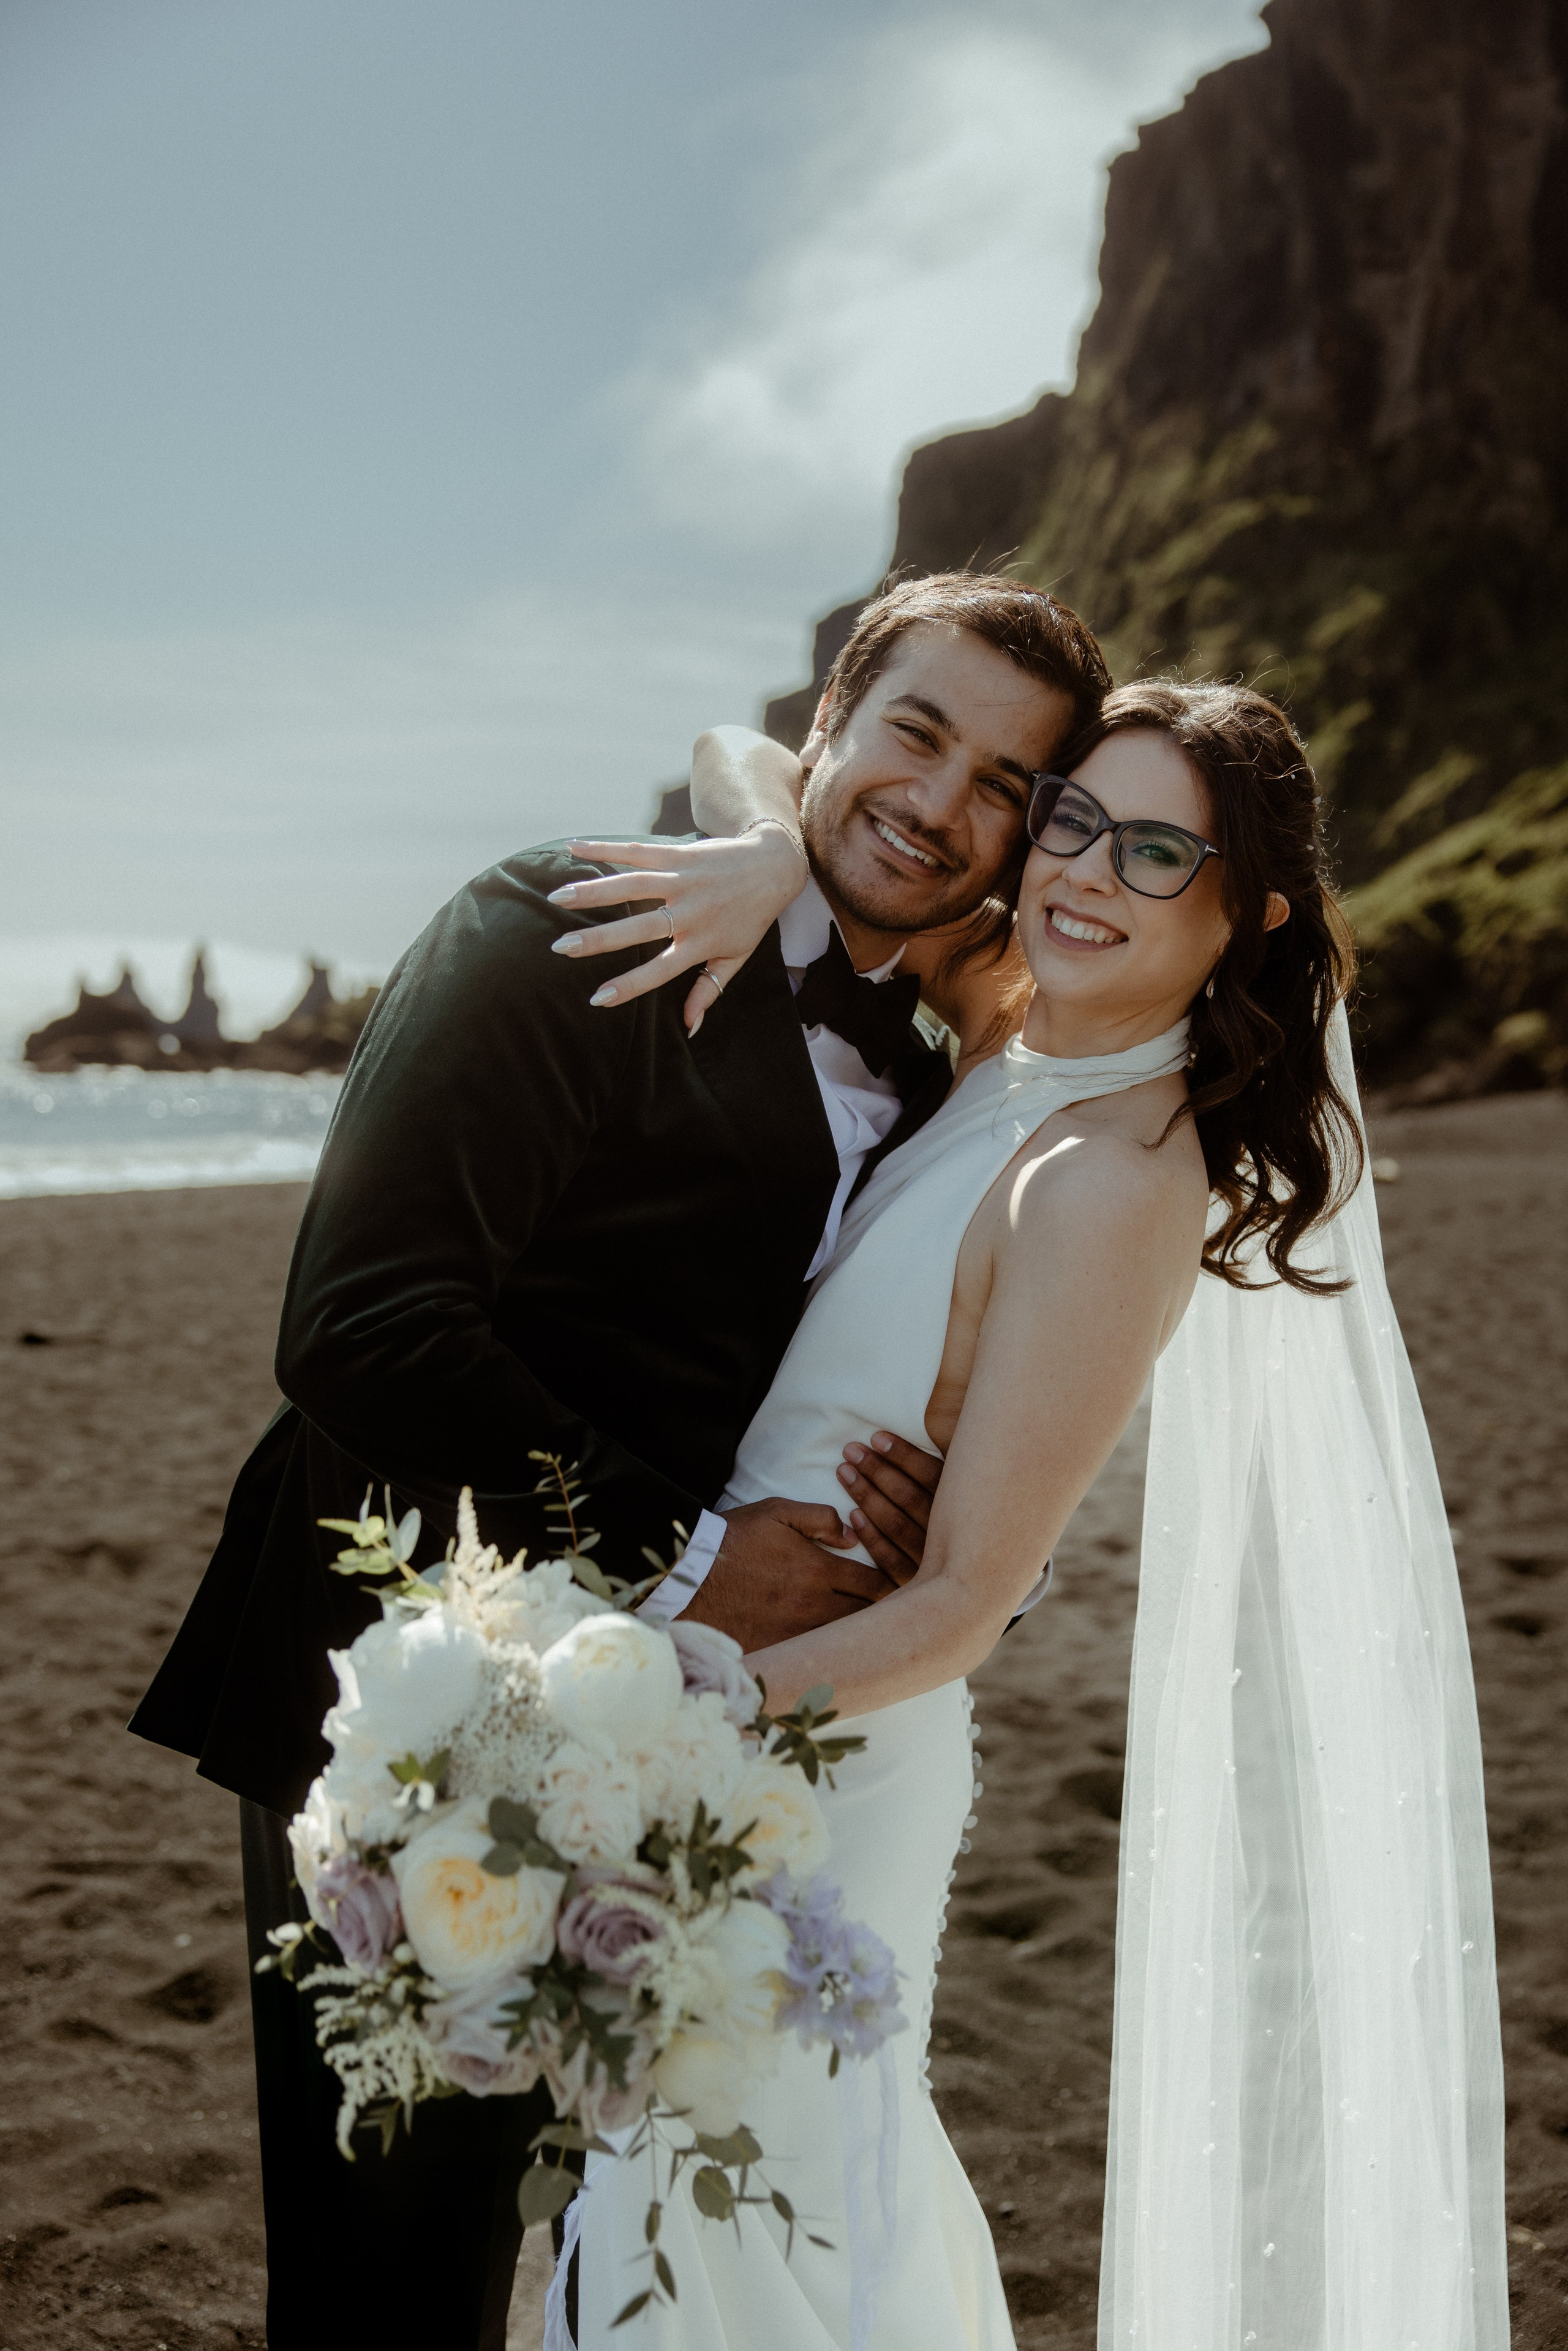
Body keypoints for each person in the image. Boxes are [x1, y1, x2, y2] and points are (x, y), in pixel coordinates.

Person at [127, 570, 1110, 2351]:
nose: (945, 804)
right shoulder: (563, 922)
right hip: (408, 1674)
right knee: (388, 2263)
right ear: (832, 728)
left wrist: (964, 1541)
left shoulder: (943, 1048)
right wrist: (695, 1553)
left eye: (1007, 789)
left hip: (672, 1724)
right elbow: (361, 1323)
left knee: (564, 2227)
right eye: (916, 734)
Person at [558, 682, 1506, 2350]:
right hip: (751, 1680)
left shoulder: (1118, 1177)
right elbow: (743, 750)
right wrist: (770, 855)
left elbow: (967, 1609)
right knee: (722, 2219)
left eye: (1158, 851)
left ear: (1248, 912)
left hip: (821, 1752)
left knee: (753, 2224)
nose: (1087, 870)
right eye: (1073, 819)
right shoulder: (1014, 1006)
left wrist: (670, 1720)